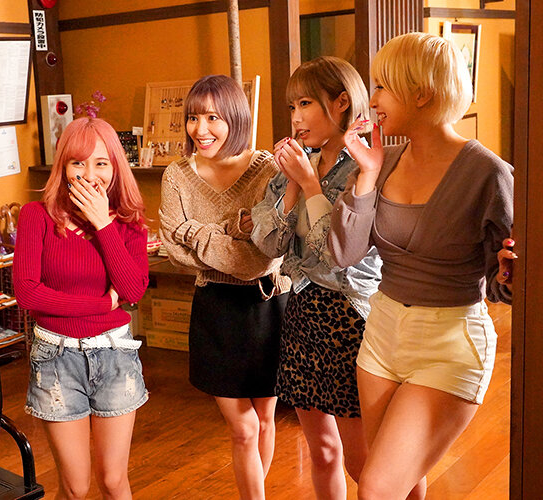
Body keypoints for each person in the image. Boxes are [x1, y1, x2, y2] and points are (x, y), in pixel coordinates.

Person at [328, 32, 513, 499]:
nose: (372, 101)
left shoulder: (488, 173)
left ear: (422, 94)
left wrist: (511, 271)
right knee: (400, 484)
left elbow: (503, 284)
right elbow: (344, 254)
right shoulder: (382, 161)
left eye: (381, 87)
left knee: (375, 488)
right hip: (382, 334)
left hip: (449, 342)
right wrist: (367, 175)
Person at [250, 56, 381, 499]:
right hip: (303, 313)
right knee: (322, 451)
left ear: (341, 102)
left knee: (366, 462)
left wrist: (309, 185)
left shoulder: (363, 169)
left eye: (305, 103)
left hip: (352, 319)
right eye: (292, 107)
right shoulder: (297, 165)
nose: (296, 117)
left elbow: (334, 255)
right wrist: (293, 182)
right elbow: (268, 244)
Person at [158, 74, 291, 500]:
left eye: (213, 118)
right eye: (193, 118)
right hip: (215, 309)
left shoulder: (268, 169)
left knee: (265, 420)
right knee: (244, 427)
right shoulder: (177, 175)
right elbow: (173, 252)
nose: (200, 129)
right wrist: (234, 231)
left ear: (236, 118)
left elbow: (262, 259)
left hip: (269, 305)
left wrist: (195, 231)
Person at [13, 117, 149, 500]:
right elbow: (28, 293)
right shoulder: (36, 216)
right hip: (56, 359)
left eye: (101, 163)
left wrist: (102, 223)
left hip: (115, 354)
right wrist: (101, 303)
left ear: (115, 167)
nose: (90, 175)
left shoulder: (129, 224)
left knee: (113, 481)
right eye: (78, 163)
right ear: (63, 166)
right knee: (75, 487)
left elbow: (133, 290)